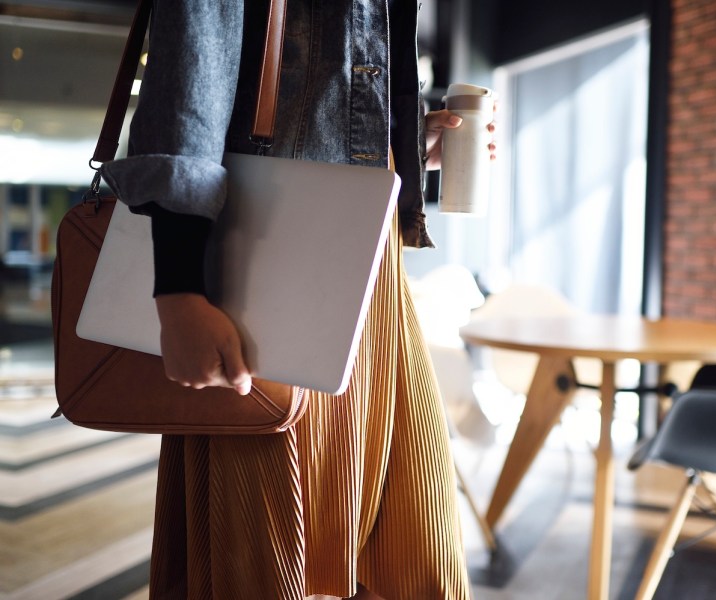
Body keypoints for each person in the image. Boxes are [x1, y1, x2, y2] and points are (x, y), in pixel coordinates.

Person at [99, 1, 496, 598]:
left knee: (410, 553)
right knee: (261, 556)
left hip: (365, 259)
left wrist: (406, 138)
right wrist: (179, 286)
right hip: (265, 256)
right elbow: (190, 71)